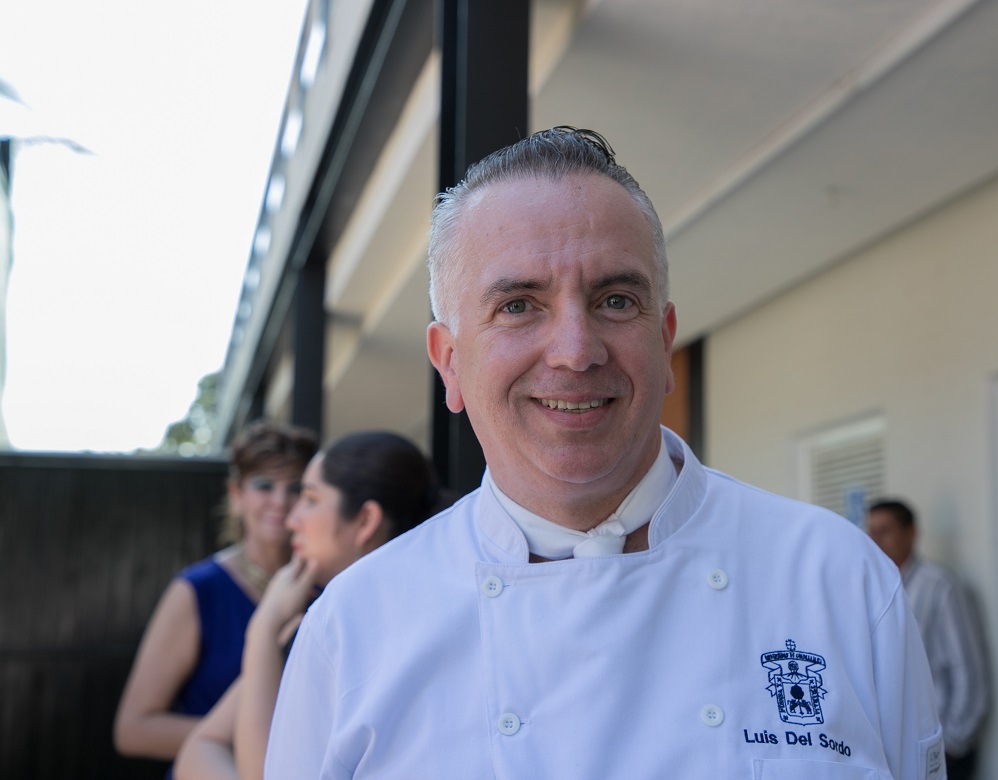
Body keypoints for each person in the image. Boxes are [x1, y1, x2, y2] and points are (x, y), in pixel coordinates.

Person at [266, 127, 943, 779]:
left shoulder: (841, 581)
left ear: (665, 340)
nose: (575, 351)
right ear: (449, 363)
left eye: (615, 300)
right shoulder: (353, 629)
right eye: (518, 305)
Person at [172, 431, 452, 780]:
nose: (292, 519)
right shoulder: (314, 621)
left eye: (308, 498)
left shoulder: (386, 634)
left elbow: (263, 772)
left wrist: (263, 628)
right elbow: (201, 745)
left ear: (365, 521)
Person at [114, 420, 317, 774]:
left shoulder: (325, 590)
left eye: (296, 488)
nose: (281, 501)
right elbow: (133, 730)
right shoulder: (199, 590)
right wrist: (248, 735)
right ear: (236, 495)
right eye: (264, 485)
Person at [868, 498, 990, 780]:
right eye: (871, 531)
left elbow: (968, 669)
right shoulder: (876, 589)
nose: (875, 540)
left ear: (911, 533)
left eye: (885, 530)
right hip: (894, 749)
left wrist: (952, 743)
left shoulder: (939, 585)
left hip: (940, 749)